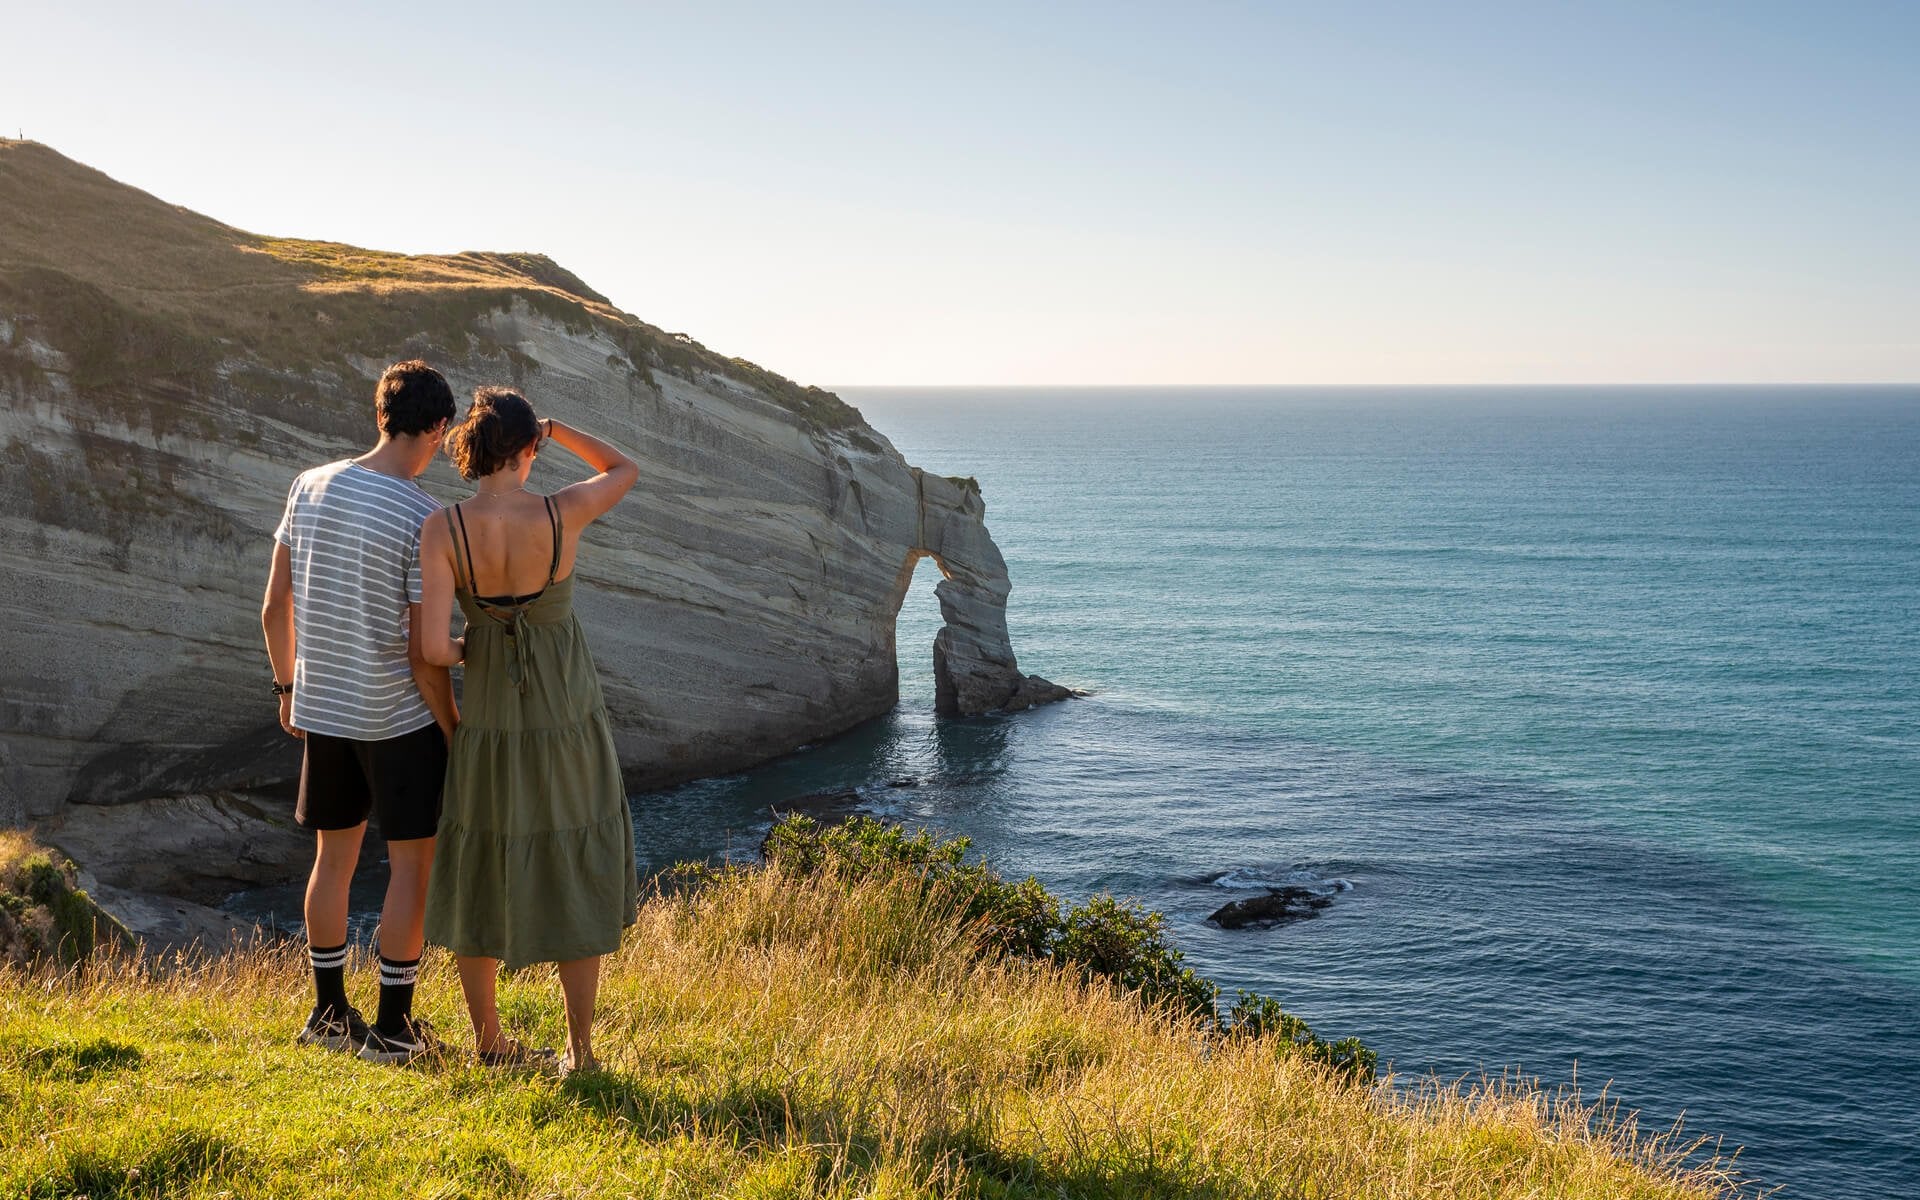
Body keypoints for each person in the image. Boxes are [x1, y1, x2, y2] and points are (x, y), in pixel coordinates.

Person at [415, 386, 640, 1074]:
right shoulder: (562, 511)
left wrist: (478, 643)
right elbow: (624, 470)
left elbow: (430, 649)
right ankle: (580, 1051)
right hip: (566, 716)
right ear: (527, 448)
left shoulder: (443, 528)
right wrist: (559, 427)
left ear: (474, 450)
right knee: (573, 855)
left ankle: (488, 1041)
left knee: (483, 859)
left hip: (486, 720)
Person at [261, 359, 460, 1064]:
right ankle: (396, 1030)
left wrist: (288, 691)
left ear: (381, 413)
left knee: (334, 861)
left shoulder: (308, 486)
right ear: (438, 428)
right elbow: (421, 649)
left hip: (325, 710)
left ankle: (327, 1014)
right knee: (411, 868)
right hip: (397, 718)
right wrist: (452, 725)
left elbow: (273, 606)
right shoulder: (422, 515)